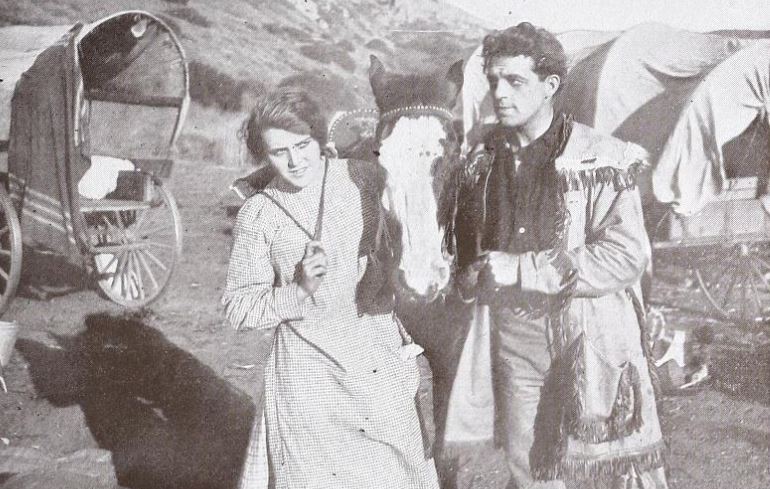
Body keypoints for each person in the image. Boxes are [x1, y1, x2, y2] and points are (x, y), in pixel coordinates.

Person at [452, 23, 669, 489]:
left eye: (515, 81)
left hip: (589, 338)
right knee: (531, 469)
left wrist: (523, 267)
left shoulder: (601, 158)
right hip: (514, 338)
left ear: (550, 85)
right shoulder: (481, 159)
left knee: (613, 469)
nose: (500, 94)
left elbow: (625, 255)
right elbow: (464, 243)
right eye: (493, 80)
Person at [222, 88, 439, 489]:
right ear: (263, 155)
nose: (295, 161)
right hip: (307, 375)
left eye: (303, 145)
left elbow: (419, 213)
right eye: (279, 152)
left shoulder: (364, 179)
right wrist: (298, 290)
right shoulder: (259, 213)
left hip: (375, 359)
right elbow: (239, 306)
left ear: (319, 138)